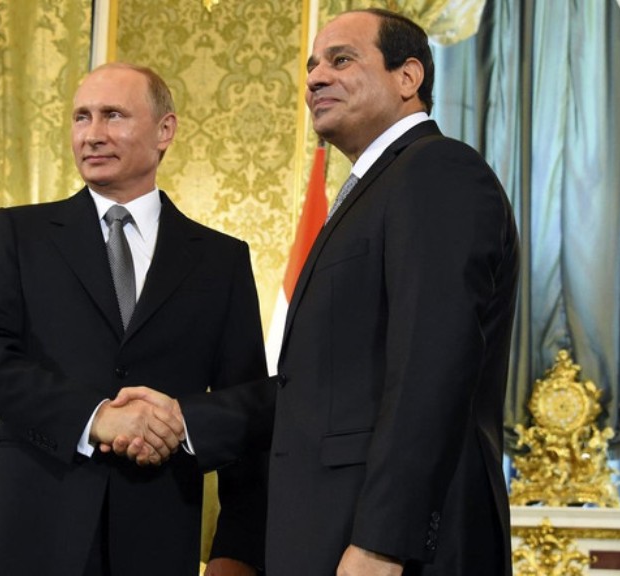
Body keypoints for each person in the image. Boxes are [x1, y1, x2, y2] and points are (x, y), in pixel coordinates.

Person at [112, 9, 520, 576]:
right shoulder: (373, 193)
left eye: (341, 59)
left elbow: (434, 365)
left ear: (408, 78)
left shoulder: (437, 170)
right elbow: (321, 387)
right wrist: (187, 420)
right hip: (332, 532)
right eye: (311, 67)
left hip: (394, 550)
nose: (315, 78)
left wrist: (383, 541)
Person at [0, 62, 268, 576]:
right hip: (26, 533)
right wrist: (96, 415)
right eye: (81, 118)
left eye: (113, 116)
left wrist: (238, 551)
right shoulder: (20, 233)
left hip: (156, 538)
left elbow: (247, 410)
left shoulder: (221, 260)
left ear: (165, 130)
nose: (92, 135)